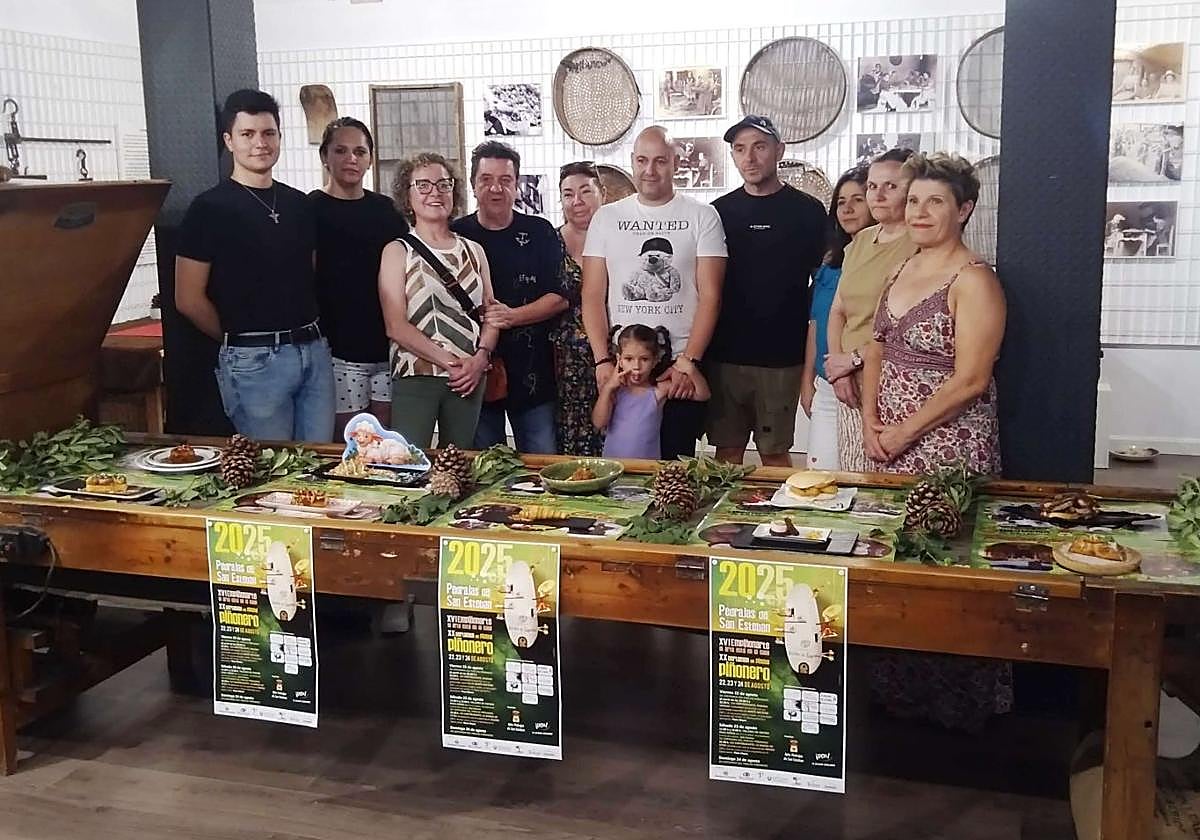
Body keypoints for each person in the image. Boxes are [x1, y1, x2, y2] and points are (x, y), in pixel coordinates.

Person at [176, 88, 334, 442]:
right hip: (253, 361)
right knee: (270, 464)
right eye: (247, 134)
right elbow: (187, 298)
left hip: (313, 352)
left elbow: (306, 274)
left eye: (268, 133)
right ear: (229, 141)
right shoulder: (209, 209)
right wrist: (239, 338)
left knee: (319, 461)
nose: (260, 143)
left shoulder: (298, 204)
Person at [582, 125, 727, 460]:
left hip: (678, 366)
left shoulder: (702, 216)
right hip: (624, 364)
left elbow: (711, 297)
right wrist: (602, 360)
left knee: (674, 466)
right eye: (642, 160)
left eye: (660, 161)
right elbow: (592, 295)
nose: (650, 170)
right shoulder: (606, 218)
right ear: (633, 161)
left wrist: (688, 362)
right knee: (623, 456)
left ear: (675, 163)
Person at [861, 152, 1005, 475]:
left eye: (935, 202)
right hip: (887, 445)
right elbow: (876, 349)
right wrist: (869, 420)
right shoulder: (900, 269)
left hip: (949, 451)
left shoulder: (974, 280)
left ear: (963, 210)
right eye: (913, 201)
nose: (919, 213)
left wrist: (904, 433)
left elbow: (971, 380)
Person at [708, 115, 827, 467]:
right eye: (739, 149)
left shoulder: (808, 211)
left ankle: (782, 507)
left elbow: (822, 285)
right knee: (726, 453)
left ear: (779, 150)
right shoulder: (718, 212)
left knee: (774, 453)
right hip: (725, 356)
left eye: (759, 147)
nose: (749, 157)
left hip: (782, 357)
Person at [452, 141, 567, 454]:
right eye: (486, 179)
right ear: (473, 184)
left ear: (517, 185)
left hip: (533, 372)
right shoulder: (455, 235)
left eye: (505, 180)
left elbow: (559, 296)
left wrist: (512, 316)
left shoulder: (540, 231)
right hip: (475, 372)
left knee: (543, 462)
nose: (496, 188)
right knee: (486, 465)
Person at [378, 152, 499, 449]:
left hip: (470, 376)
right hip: (417, 373)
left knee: (459, 461)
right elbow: (395, 326)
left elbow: (491, 314)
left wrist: (480, 359)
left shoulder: (474, 250)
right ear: (407, 197)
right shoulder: (397, 251)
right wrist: (451, 362)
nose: (435, 192)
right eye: (423, 185)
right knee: (408, 459)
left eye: (443, 184)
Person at [309, 117, 408, 438]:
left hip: (386, 347)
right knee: (349, 441)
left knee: (387, 441)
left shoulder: (386, 211)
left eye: (359, 151)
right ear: (325, 156)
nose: (351, 159)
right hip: (335, 351)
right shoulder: (309, 210)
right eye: (340, 150)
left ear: (370, 159)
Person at [824, 148, 919, 472]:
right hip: (849, 384)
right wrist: (838, 368)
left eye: (890, 186)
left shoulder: (920, 243)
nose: (877, 195)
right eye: (873, 186)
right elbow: (838, 310)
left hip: (895, 382)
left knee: (889, 477)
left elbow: (909, 329)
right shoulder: (860, 241)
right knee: (852, 473)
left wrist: (854, 359)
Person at [800, 165, 871, 470]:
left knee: (860, 477)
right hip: (827, 384)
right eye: (841, 202)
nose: (848, 209)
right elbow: (816, 323)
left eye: (858, 200)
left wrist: (849, 364)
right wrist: (807, 381)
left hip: (865, 381)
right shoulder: (830, 264)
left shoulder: (890, 262)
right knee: (820, 477)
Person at [552, 161, 606, 456]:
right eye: (568, 194)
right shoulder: (550, 241)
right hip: (563, 359)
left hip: (612, 353)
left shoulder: (617, 238)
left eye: (586, 191)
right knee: (568, 439)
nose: (577, 201)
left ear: (602, 193)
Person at [593, 324, 709, 460]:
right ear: (620, 360)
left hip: (648, 468)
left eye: (644, 359)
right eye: (629, 359)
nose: (636, 366)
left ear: (655, 360)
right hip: (614, 466)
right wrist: (608, 389)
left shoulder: (659, 390)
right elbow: (598, 423)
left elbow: (703, 395)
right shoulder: (614, 390)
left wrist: (691, 370)